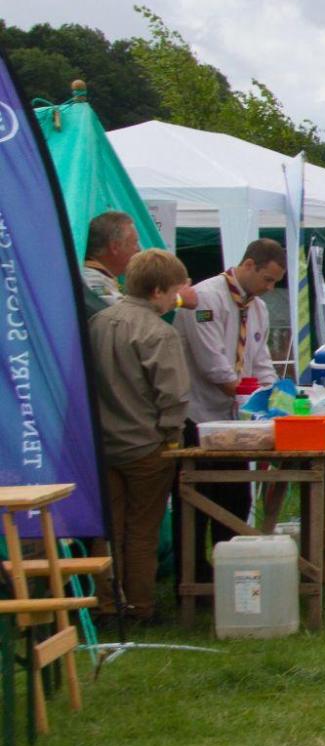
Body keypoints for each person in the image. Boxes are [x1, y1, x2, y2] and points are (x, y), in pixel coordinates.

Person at [89, 249, 192, 623]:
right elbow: (173, 395)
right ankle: (139, 607)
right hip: (146, 446)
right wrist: (172, 437)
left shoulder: (97, 322)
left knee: (107, 529)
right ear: (158, 290)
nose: (176, 299)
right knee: (142, 530)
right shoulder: (159, 332)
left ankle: (104, 605)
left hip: (102, 445)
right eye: (174, 292)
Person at [176, 238, 285, 583]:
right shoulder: (204, 299)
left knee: (234, 500)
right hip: (198, 416)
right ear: (248, 265)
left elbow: (262, 363)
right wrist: (251, 397)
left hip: (235, 422)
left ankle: (230, 574)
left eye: (274, 283)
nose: (269, 289)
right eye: (267, 280)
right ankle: (191, 579)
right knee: (196, 504)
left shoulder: (257, 309)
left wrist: (278, 404)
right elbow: (215, 368)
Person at [80, 211, 141, 317]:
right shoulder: (92, 280)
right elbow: (129, 316)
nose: (139, 250)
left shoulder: (97, 277)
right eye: (135, 243)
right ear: (115, 247)